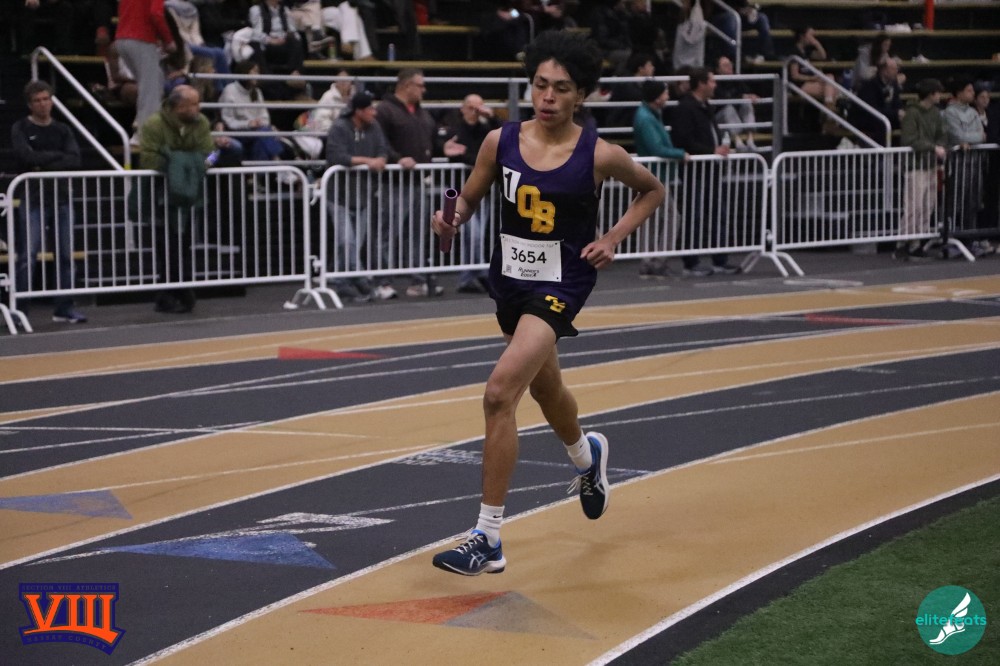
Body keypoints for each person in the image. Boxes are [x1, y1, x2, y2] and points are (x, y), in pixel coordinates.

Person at [429, 30, 664, 576]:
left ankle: (487, 537)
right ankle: (587, 455)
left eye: (560, 88)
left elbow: (653, 190)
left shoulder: (600, 154)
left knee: (499, 393)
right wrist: (449, 218)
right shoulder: (500, 142)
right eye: (540, 85)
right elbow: (467, 199)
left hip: (562, 283)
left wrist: (612, 238)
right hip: (511, 280)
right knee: (545, 387)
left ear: (581, 94)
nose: (548, 97)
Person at [10, 81, 87, 324]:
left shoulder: (63, 129)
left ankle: (64, 307)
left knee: (65, 255)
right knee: (28, 256)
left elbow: (75, 159)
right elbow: (25, 156)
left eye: (46, 99)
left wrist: (42, 163)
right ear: (29, 104)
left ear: (52, 101)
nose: (43, 104)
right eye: (37, 101)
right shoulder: (20, 127)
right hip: (33, 198)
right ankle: (20, 309)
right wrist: (56, 158)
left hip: (62, 197)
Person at [138, 85, 215, 313]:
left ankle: (181, 290)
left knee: (186, 242)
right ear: (179, 106)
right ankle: (169, 293)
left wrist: (176, 159)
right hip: (161, 193)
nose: (198, 108)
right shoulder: (154, 124)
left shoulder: (201, 122)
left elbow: (208, 154)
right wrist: (185, 162)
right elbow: (148, 159)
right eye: (193, 104)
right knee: (166, 243)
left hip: (190, 192)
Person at [375, 68, 444, 298]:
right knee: (389, 233)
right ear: (406, 86)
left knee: (417, 233)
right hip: (393, 182)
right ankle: (383, 281)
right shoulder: (385, 111)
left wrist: (445, 148)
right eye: (420, 85)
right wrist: (397, 159)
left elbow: (433, 142)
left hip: (417, 181)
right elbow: (379, 142)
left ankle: (418, 279)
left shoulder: (422, 114)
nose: (424, 89)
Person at [670, 66, 741, 276]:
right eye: (711, 81)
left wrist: (718, 148)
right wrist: (711, 150)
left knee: (718, 214)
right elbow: (682, 139)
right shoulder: (685, 108)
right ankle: (691, 261)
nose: (715, 85)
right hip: (695, 169)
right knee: (695, 215)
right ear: (701, 84)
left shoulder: (706, 106)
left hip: (712, 168)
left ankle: (720, 259)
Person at [325, 91, 388, 302]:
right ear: (359, 111)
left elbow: (382, 149)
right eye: (370, 109)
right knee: (347, 241)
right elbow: (336, 156)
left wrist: (380, 158)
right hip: (339, 195)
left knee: (353, 243)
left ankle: (344, 281)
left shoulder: (374, 127)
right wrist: (368, 161)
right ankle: (357, 279)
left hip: (363, 195)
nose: (374, 113)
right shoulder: (339, 127)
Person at [440, 94, 502, 294]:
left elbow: (505, 140)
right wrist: (472, 159)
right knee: (472, 235)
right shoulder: (455, 130)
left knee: (479, 235)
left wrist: (492, 117)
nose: (475, 112)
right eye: (471, 107)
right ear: (462, 109)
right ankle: (476, 274)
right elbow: (448, 149)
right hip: (461, 191)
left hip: (483, 190)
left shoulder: (486, 130)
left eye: (479, 108)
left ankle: (471, 275)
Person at [633, 79, 687, 279]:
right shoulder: (647, 118)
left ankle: (648, 260)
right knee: (672, 217)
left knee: (651, 218)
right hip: (656, 176)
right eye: (665, 93)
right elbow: (657, 148)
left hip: (652, 174)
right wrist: (680, 153)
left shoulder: (649, 114)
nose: (668, 96)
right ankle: (659, 259)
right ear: (656, 97)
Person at [895, 78, 947, 261]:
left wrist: (939, 145)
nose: (940, 96)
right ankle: (904, 242)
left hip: (930, 164)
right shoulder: (912, 113)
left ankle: (917, 241)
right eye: (937, 92)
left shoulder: (935, 113)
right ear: (931, 94)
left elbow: (942, 134)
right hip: (915, 166)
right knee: (913, 205)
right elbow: (909, 139)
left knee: (927, 205)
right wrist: (933, 147)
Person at [116, 0, 178, 145]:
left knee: (155, 80)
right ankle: (147, 134)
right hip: (141, 39)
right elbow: (156, 13)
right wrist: (168, 40)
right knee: (150, 89)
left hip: (122, 39)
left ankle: (142, 129)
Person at [218, 61, 290, 167]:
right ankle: (277, 160)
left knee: (260, 142)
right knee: (265, 133)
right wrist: (248, 124)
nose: (257, 75)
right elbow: (228, 120)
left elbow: (264, 116)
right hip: (237, 132)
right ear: (245, 72)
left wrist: (260, 123)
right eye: (254, 71)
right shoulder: (230, 91)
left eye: (258, 72)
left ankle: (258, 174)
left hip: (257, 131)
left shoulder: (257, 92)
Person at [942, 77, 987, 240]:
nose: (973, 93)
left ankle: (970, 237)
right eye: (969, 90)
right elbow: (958, 136)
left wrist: (971, 138)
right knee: (956, 201)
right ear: (959, 92)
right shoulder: (949, 113)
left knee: (973, 202)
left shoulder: (973, 112)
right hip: (957, 164)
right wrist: (972, 137)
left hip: (974, 163)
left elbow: (982, 135)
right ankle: (952, 236)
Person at [850, 56, 903, 145]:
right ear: (884, 70)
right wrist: (896, 113)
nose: (896, 71)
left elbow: (897, 103)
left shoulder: (894, 84)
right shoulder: (869, 85)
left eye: (897, 69)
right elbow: (872, 109)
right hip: (870, 119)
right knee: (881, 125)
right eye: (893, 69)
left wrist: (900, 113)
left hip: (888, 117)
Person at [714, 54, 758, 149]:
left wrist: (750, 96)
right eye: (725, 65)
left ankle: (750, 140)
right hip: (721, 117)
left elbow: (746, 92)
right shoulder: (715, 82)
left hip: (737, 115)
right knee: (728, 108)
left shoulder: (736, 78)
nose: (729, 67)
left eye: (730, 64)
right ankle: (738, 141)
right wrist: (741, 96)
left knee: (747, 103)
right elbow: (722, 99)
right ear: (718, 70)